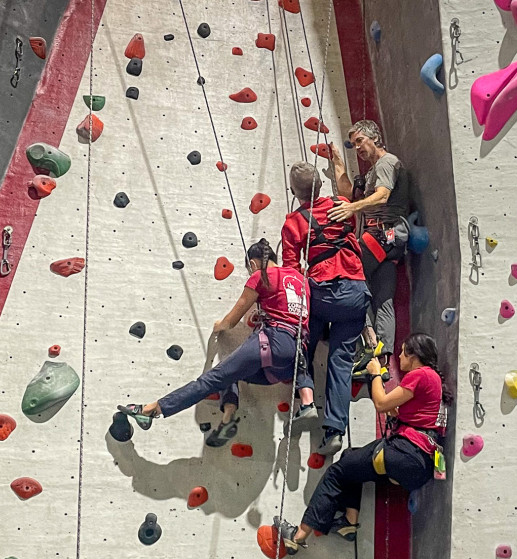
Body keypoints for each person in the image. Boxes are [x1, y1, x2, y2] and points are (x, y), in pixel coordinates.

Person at [116, 239, 314, 447]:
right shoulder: (300, 280)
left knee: (211, 380)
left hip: (271, 343)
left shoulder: (260, 275)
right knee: (232, 373)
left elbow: (231, 320)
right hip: (292, 359)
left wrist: (218, 326)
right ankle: (228, 418)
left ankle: (150, 410)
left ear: (253, 264)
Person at [275, 333, 449, 553]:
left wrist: (375, 374)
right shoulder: (434, 381)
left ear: (415, 355)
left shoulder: (421, 374)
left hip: (406, 452)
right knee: (351, 460)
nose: (400, 356)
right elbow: (402, 411)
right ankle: (349, 522)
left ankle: (298, 537)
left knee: (336, 472)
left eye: (403, 351)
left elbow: (381, 403)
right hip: (420, 465)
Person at [282, 161, 372, 456]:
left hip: (322, 293)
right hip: (356, 292)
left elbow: (292, 272)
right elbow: (350, 229)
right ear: (320, 186)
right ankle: (334, 429)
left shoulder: (294, 222)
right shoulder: (342, 204)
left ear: (295, 192)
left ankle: (306, 401)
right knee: (340, 362)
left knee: (301, 347)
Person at [328, 120, 412, 370]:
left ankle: (369, 342)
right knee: (383, 299)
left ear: (375, 138)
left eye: (360, 141)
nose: (358, 148)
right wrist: (338, 163)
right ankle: (382, 361)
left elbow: (383, 194)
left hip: (380, 235)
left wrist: (351, 209)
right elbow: (350, 193)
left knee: (350, 279)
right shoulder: (374, 170)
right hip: (391, 241)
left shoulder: (386, 163)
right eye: (354, 144)